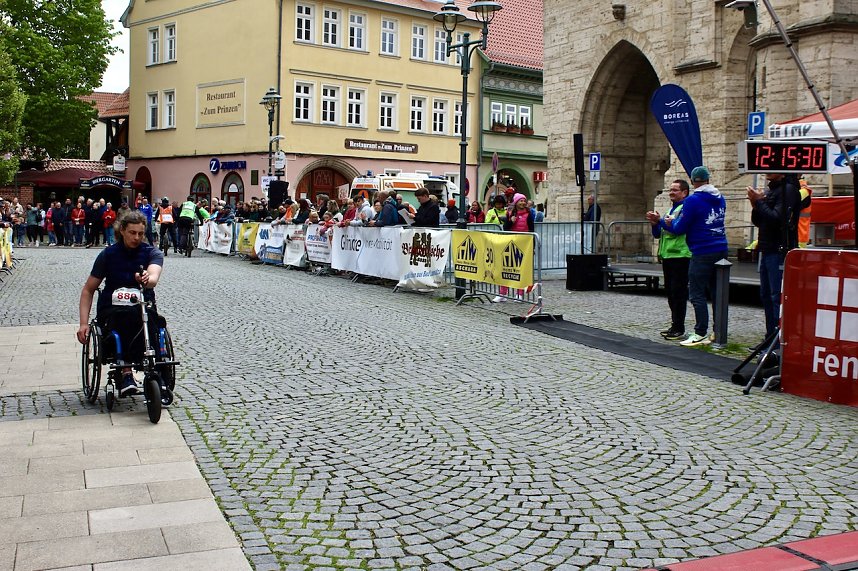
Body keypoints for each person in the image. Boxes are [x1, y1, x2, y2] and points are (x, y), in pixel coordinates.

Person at [77, 210, 164, 396]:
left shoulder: (151, 253)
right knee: (123, 318)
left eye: (140, 233)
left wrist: (146, 279)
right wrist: (83, 323)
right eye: (132, 233)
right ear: (122, 230)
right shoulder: (108, 255)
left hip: (142, 305)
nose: (137, 237)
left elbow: (154, 276)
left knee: (153, 322)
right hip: (112, 307)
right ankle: (126, 372)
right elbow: (88, 290)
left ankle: (158, 370)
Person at [665, 166, 727, 347]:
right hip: (721, 247)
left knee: (696, 293)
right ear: (708, 179)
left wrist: (668, 223)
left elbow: (679, 228)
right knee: (717, 292)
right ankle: (718, 332)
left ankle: (700, 332)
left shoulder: (693, 200)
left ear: (693, 181)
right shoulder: (720, 197)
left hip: (702, 249)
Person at [747, 173, 805, 342]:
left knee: (776, 297)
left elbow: (777, 218)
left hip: (778, 250)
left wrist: (759, 202)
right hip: (767, 249)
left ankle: (777, 340)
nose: (766, 170)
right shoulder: (771, 191)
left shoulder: (789, 190)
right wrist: (755, 203)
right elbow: (760, 221)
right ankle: (770, 337)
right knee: (766, 295)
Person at [646, 180, 692, 341]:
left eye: (675, 190)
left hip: (680, 255)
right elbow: (659, 234)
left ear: (684, 192)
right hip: (668, 255)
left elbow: (677, 229)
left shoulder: (685, 208)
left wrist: (659, 221)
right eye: (671, 189)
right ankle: (675, 325)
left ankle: (679, 327)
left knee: (678, 293)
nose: (671, 192)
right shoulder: (671, 209)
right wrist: (654, 224)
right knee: (671, 293)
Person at [797, 178, 812, 247]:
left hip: (799, 236)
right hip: (798, 235)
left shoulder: (803, 191)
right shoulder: (801, 190)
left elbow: (789, 203)